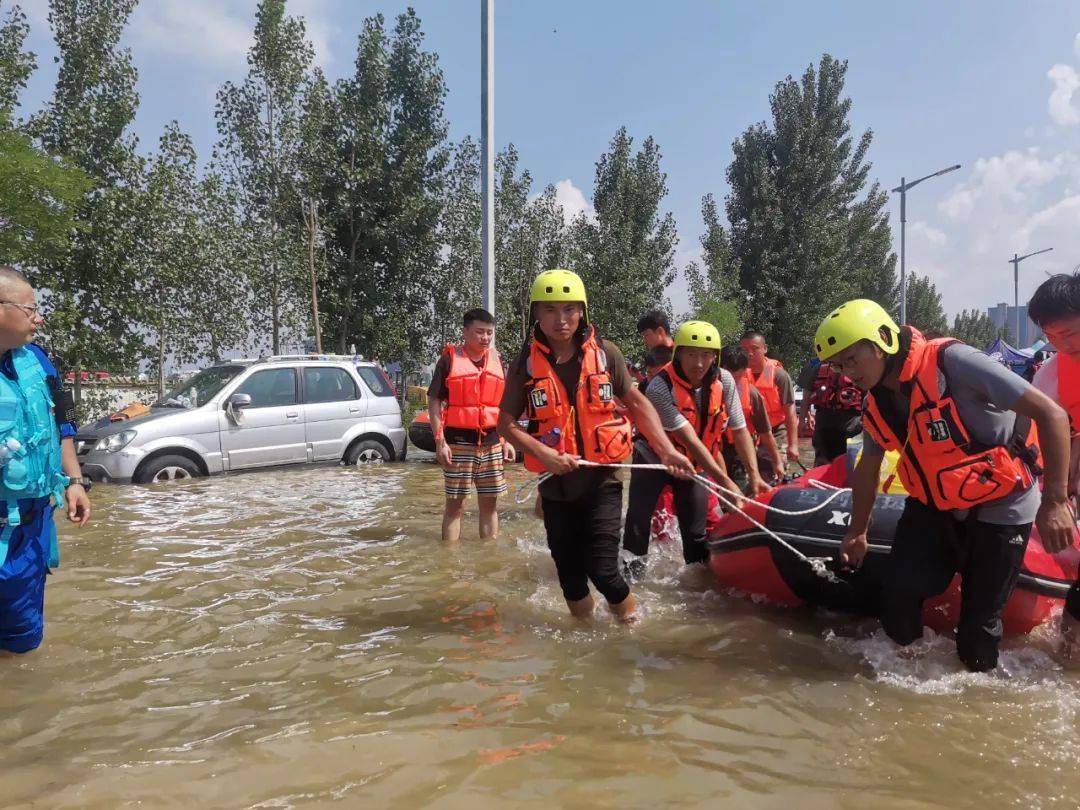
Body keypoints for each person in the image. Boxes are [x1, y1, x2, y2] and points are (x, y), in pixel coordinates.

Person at [816, 298, 1072, 672]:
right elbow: (868, 469)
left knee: (977, 632)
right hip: (935, 504)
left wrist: (1055, 502)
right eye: (838, 365)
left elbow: (1052, 415)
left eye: (852, 359)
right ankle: (910, 681)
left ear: (884, 339)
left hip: (1002, 504)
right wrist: (857, 532)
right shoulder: (876, 402)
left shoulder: (954, 362)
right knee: (899, 598)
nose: (846, 372)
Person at [498, 270, 696, 621]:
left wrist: (667, 450)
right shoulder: (524, 364)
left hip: (602, 480)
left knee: (604, 572)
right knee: (570, 582)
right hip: (555, 486)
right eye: (550, 310)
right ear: (536, 315)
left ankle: (630, 630)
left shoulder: (606, 354)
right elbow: (506, 423)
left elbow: (637, 403)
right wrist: (542, 453)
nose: (561, 320)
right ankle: (584, 646)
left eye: (570, 309)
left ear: (582, 312)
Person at [623, 321, 770, 571]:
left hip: (694, 464)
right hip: (654, 458)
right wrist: (726, 484)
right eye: (691, 354)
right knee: (639, 521)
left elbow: (739, 428)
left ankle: (697, 588)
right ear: (678, 354)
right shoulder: (659, 387)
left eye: (706, 355)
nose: (699, 363)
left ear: (716, 357)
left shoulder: (725, 381)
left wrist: (754, 476)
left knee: (695, 531)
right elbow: (689, 437)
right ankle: (631, 576)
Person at [0, 266, 91, 655]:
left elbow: (62, 423)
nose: (39, 317)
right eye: (31, 308)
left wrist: (74, 482)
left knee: (22, 637)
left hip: (31, 518)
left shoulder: (37, 360)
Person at [427, 308, 515, 543]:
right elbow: (434, 401)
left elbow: (501, 405)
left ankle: (489, 559)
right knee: (455, 506)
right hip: (459, 444)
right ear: (465, 332)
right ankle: (448, 566)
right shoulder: (449, 360)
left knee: (490, 506)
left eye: (489, 333)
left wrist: (506, 441)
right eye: (479, 332)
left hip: (492, 443)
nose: (485, 338)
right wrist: (440, 442)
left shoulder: (498, 360)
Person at [1027, 272, 1080, 654]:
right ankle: (1069, 656)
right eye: (1052, 337)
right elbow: (1040, 432)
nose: (1063, 344)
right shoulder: (1051, 373)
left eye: (1072, 334)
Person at [740, 330, 800, 478]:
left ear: (765, 348)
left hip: (776, 429)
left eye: (754, 349)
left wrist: (793, 444)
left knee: (772, 471)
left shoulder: (779, 375)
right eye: (745, 350)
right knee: (745, 472)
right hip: (751, 430)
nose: (750, 354)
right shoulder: (738, 374)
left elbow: (790, 412)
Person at [720, 345, 782, 487]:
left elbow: (765, 433)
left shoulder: (752, 395)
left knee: (741, 489)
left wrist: (777, 461)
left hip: (739, 451)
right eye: (728, 377)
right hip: (713, 449)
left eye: (738, 377)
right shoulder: (704, 390)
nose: (732, 382)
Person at [798, 358, 863, 466]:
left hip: (851, 420)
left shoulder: (857, 364)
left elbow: (869, 395)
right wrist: (802, 421)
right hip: (824, 420)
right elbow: (806, 398)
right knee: (823, 460)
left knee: (850, 460)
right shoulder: (814, 366)